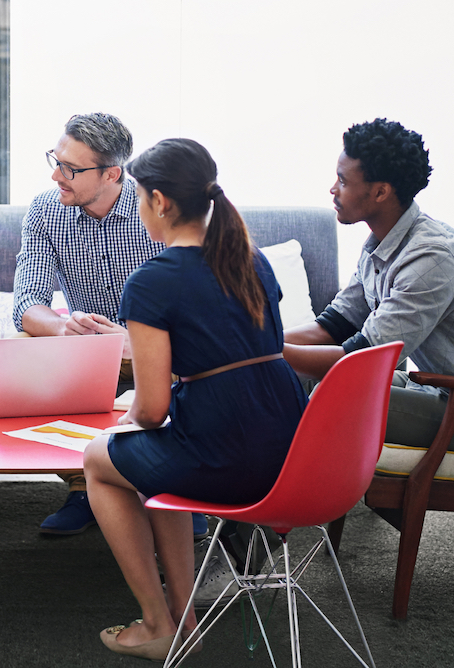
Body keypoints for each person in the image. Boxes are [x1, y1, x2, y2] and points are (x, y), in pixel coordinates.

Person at [83, 139, 308, 660]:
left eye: (138, 198)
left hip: (228, 457)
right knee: (157, 457)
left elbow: (153, 408)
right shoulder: (251, 259)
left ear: (159, 202)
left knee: (99, 459)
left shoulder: (152, 282)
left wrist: (124, 420)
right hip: (293, 452)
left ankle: (158, 621)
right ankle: (184, 620)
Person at [284, 118, 454, 457]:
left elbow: (358, 360)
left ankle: (299, 507)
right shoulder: (381, 245)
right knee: (307, 381)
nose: (333, 189)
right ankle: (260, 497)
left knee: (334, 396)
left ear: (380, 192)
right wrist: (257, 343)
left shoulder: (430, 259)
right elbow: (331, 327)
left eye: (343, 181)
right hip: (445, 393)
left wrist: (266, 354)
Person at [13, 113, 206, 539]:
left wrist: (136, 341)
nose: (55, 174)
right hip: (87, 352)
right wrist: (65, 330)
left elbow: (197, 310)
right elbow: (27, 303)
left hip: (161, 352)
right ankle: (84, 486)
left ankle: (180, 488)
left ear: (112, 174)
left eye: (71, 169)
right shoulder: (46, 211)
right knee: (24, 343)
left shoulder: (155, 212)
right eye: (56, 160)